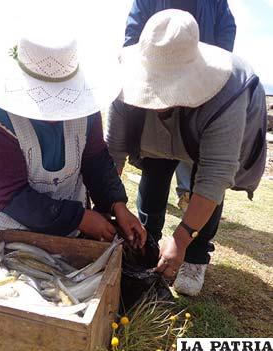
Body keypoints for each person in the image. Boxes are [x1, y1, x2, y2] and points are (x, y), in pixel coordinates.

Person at [106, 10, 267, 296]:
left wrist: (182, 238)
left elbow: (215, 175)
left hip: (205, 128)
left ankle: (195, 257)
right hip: (157, 137)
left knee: (201, 185)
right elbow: (113, 153)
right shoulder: (122, 82)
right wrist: (114, 207)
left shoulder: (228, 90)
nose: (158, 101)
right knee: (154, 176)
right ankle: (147, 241)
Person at [0, 30, 146, 247]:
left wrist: (117, 204)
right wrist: (80, 218)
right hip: (1, 228)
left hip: (65, 222)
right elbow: (10, 195)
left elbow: (95, 159)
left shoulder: (85, 107)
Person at [124, 0, 236, 212]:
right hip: (154, 85)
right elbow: (133, 32)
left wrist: (210, 72)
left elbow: (226, 29)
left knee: (204, 166)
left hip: (200, 86)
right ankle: (146, 236)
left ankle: (198, 240)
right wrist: (141, 74)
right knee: (155, 166)